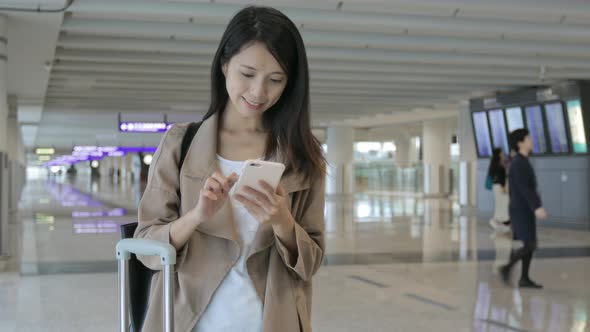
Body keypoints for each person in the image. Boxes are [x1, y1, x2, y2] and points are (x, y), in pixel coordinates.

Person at [134, 6, 326, 332]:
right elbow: (146, 249)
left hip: (271, 321)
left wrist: (282, 221)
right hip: (189, 321)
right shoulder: (181, 143)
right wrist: (197, 215)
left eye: (275, 79)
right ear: (224, 65)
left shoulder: (302, 153)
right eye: (247, 74)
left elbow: (310, 264)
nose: (258, 92)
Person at [499, 129, 547, 289]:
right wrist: (536, 207)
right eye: (529, 138)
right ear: (520, 143)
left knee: (530, 244)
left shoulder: (522, 161)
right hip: (521, 210)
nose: (531, 141)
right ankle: (506, 268)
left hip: (523, 209)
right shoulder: (519, 163)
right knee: (530, 245)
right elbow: (524, 188)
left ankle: (524, 278)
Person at [488, 148, 511, 233]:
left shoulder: (494, 163)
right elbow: (500, 176)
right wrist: (503, 186)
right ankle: (496, 220)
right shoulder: (499, 164)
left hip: (497, 186)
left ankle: (502, 222)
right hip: (500, 186)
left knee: (501, 204)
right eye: (502, 152)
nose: (503, 153)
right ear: (499, 154)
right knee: (503, 203)